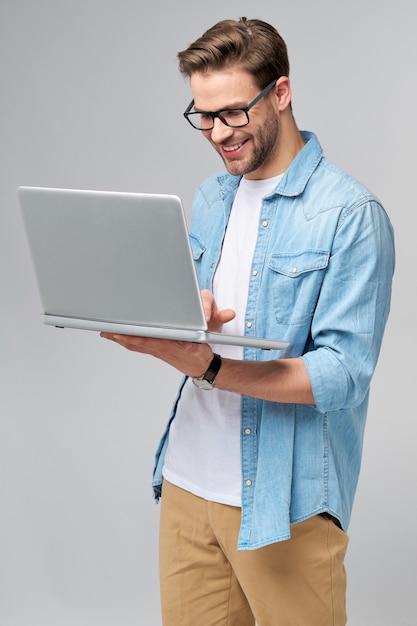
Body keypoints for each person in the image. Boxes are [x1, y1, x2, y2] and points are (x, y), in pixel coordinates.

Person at [101, 17, 395, 626]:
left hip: (281, 503)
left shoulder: (350, 214)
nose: (217, 133)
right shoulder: (212, 197)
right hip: (185, 485)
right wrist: (178, 322)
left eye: (234, 112)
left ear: (280, 93)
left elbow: (342, 376)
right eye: (203, 116)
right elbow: (207, 313)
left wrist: (209, 366)